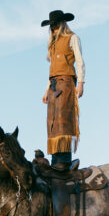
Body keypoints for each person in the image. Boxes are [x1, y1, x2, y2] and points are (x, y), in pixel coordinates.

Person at [40, 10, 85, 173]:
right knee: (52, 124)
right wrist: (46, 91)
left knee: (63, 121)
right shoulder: (52, 45)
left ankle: (64, 161)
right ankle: (55, 161)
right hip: (53, 85)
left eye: (56, 25)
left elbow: (79, 61)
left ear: (62, 24)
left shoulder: (72, 38)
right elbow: (51, 71)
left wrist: (81, 83)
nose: (53, 28)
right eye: (51, 26)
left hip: (66, 83)